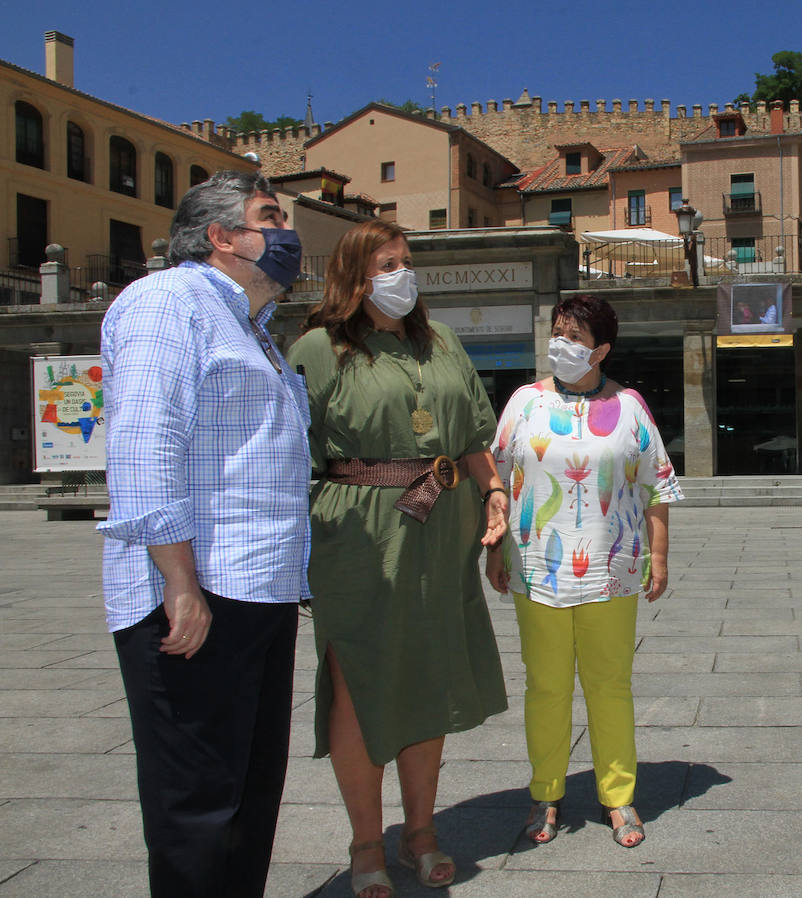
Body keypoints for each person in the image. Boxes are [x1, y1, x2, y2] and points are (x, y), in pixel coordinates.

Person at [99, 170, 311, 897]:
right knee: (197, 807)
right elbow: (144, 446)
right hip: (199, 594)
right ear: (221, 237)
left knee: (250, 797)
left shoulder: (253, 330)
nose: (288, 234)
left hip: (257, 590)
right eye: (269, 217)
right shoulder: (166, 302)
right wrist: (179, 584)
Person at [286, 220, 509, 897]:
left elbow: (472, 433)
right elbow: (289, 455)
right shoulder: (315, 349)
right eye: (388, 263)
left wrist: (494, 490)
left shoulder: (440, 342)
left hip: (444, 528)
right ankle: (363, 842)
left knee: (429, 675)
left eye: (407, 262)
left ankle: (420, 832)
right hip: (359, 532)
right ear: (355, 274)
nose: (402, 274)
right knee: (359, 681)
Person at [486, 294, 682, 849]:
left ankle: (618, 797)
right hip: (535, 565)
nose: (561, 345)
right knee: (545, 687)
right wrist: (494, 548)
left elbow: (656, 484)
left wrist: (659, 554)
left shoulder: (631, 407)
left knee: (609, 687)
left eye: (574, 337)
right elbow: (497, 477)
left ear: (601, 349)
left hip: (611, 566)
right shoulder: (522, 402)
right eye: (557, 332)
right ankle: (545, 792)